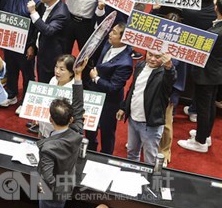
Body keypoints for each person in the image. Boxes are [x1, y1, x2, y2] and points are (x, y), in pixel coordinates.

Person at [36, 57, 88, 208]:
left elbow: (48, 178)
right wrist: (79, 76)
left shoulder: (48, 148)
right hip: (66, 186)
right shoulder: (76, 131)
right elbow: (79, 106)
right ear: (71, 119)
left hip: (51, 194)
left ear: (50, 120)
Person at [177, 0, 222, 153]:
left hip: (207, 73)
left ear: (216, 8)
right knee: (209, 106)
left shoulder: (216, 32)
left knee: (204, 108)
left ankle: (200, 141)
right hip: (216, 72)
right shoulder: (217, 27)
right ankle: (205, 134)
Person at [84, 21, 133, 154]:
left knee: (107, 132)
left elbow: (113, 87)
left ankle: (106, 156)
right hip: (94, 95)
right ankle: (89, 150)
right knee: (89, 127)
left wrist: (96, 78)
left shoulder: (125, 63)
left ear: (123, 39)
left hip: (109, 102)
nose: (110, 34)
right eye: (112, 31)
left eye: (114, 33)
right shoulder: (108, 44)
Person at [118, 51, 176, 164]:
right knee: (131, 152)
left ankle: (149, 180)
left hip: (150, 124)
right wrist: (124, 107)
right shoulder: (140, 66)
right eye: (150, 55)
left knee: (150, 159)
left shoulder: (164, 73)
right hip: (133, 119)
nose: (152, 59)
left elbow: (171, 79)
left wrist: (169, 67)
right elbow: (133, 89)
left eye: (157, 57)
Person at [27, 0, 70, 85]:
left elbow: (48, 31)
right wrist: (33, 45)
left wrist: (33, 12)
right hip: (41, 52)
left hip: (52, 59)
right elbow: (37, 29)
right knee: (41, 81)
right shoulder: (43, 5)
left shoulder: (62, 13)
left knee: (49, 85)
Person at [32, 55, 76, 135]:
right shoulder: (53, 80)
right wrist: (37, 117)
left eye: (62, 69)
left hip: (57, 133)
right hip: (43, 127)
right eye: (56, 67)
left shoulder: (73, 89)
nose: (57, 71)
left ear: (71, 72)